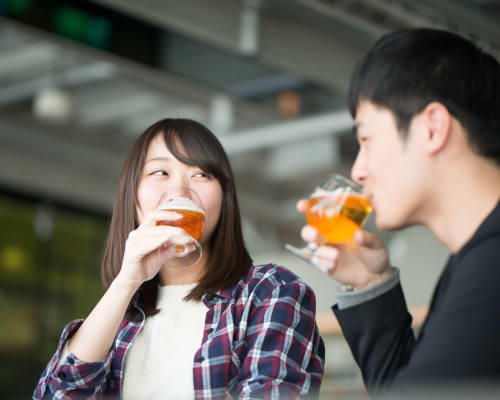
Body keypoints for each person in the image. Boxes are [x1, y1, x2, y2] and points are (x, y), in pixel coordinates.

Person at [34, 118, 325, 399]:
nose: (180, 190)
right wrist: (126, 282)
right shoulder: (118, 321)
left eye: (201, 174)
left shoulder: (270, 291)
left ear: (224, 200)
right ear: (132, 196)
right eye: (160, 173)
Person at [299, 28, 500, 396]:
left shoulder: (492, 263)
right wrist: (369, 284)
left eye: (366, 139)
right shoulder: (474, 259)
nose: (358, 169)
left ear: (433, 128)